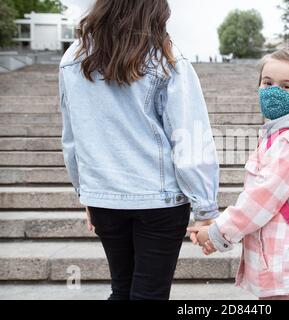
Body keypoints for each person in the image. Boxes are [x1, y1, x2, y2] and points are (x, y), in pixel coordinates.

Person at [59, 0, 219, 300]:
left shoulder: (72, 58)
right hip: (160, 201)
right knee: (149, 295)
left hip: (104, 197)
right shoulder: (166, 58)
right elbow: (189, 138)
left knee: (121, 289)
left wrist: (87, 192)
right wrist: (205, 207)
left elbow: (72, 138)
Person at [188, 45, 289, 300]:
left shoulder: (288, 142)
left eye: (286, 86)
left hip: (280, 264)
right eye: (267, 82)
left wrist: (217, 231)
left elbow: (260, 200)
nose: (274, 91)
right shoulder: (286, 136)